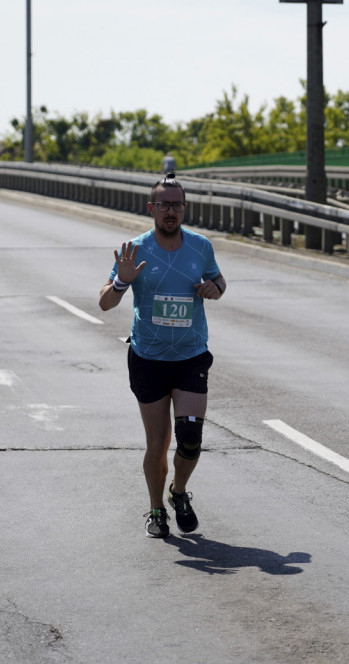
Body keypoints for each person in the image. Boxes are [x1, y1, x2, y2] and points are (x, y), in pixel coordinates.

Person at [98, 173, 227, 539]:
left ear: (185, 208)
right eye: (164, 205)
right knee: (158, 443)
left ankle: (179, 492)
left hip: (190, 356)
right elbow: (105, 302)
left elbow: (219, 281)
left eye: (177, 205)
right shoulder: (135, 250)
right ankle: (156, 510)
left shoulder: (200, 246)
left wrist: (214, 289)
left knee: (190, 438)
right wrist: (122, 281)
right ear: (152, 208)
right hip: (149, 357)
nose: (171, 211)